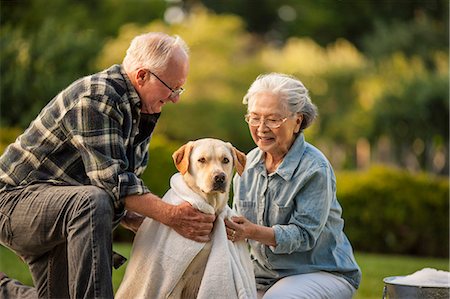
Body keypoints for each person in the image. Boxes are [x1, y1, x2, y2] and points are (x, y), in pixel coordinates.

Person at [0, 32, 215, 298]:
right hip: (13, 203)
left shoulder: (141, 112)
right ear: (142, 76)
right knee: (92, 201)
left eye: (179, 89)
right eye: (171, 87)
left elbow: (118, 185)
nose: (175, 98)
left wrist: (141, 219)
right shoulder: (98, 97)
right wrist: (171, 216)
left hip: (61, 210)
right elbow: (111, 182)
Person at [225, 73, 361, 298]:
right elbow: (237, 228)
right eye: (255, 117)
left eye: (273, 119)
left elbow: (304, 235)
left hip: (320, 272)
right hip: (263, 275)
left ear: (297, 121)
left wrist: (252, 231)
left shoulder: (315, 168)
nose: (261, 127)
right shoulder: (246, 165)